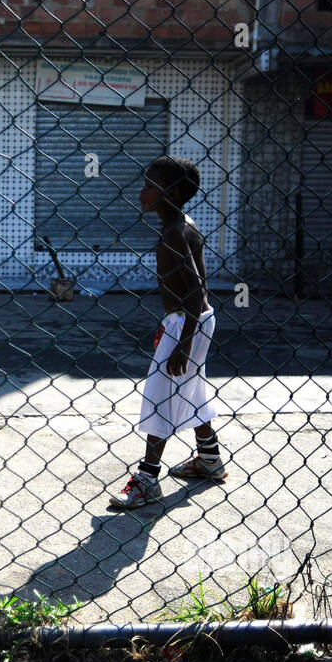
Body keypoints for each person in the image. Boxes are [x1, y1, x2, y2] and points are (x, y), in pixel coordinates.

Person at [110, 156, 227, 510]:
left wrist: (183, 343)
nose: (141, 191)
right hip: (190, 321)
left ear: (171, 193)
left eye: (148, 186)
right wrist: (173, 328)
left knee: (160, 395)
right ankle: (209, 459)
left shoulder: (176, 232)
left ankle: (147, 480)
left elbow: (194, 289)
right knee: (190, 391)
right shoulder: (180, 224)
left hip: (189, 322)